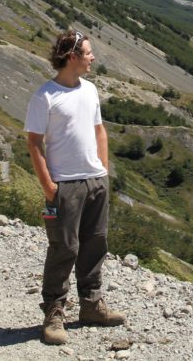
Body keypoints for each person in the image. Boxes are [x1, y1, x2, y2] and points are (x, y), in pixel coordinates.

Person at [25, 29, 126, 345]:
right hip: (64, 186)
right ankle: (54, 312)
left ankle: (91, 306)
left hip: (94, 181)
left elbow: (100, 131)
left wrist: (102, 172)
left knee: (95, 244)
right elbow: (34, 142)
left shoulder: (91, 90)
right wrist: (49, 186)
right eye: (88, 53)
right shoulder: (45, 96)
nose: (93, 58)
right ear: (72, 57)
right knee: (64, 248)